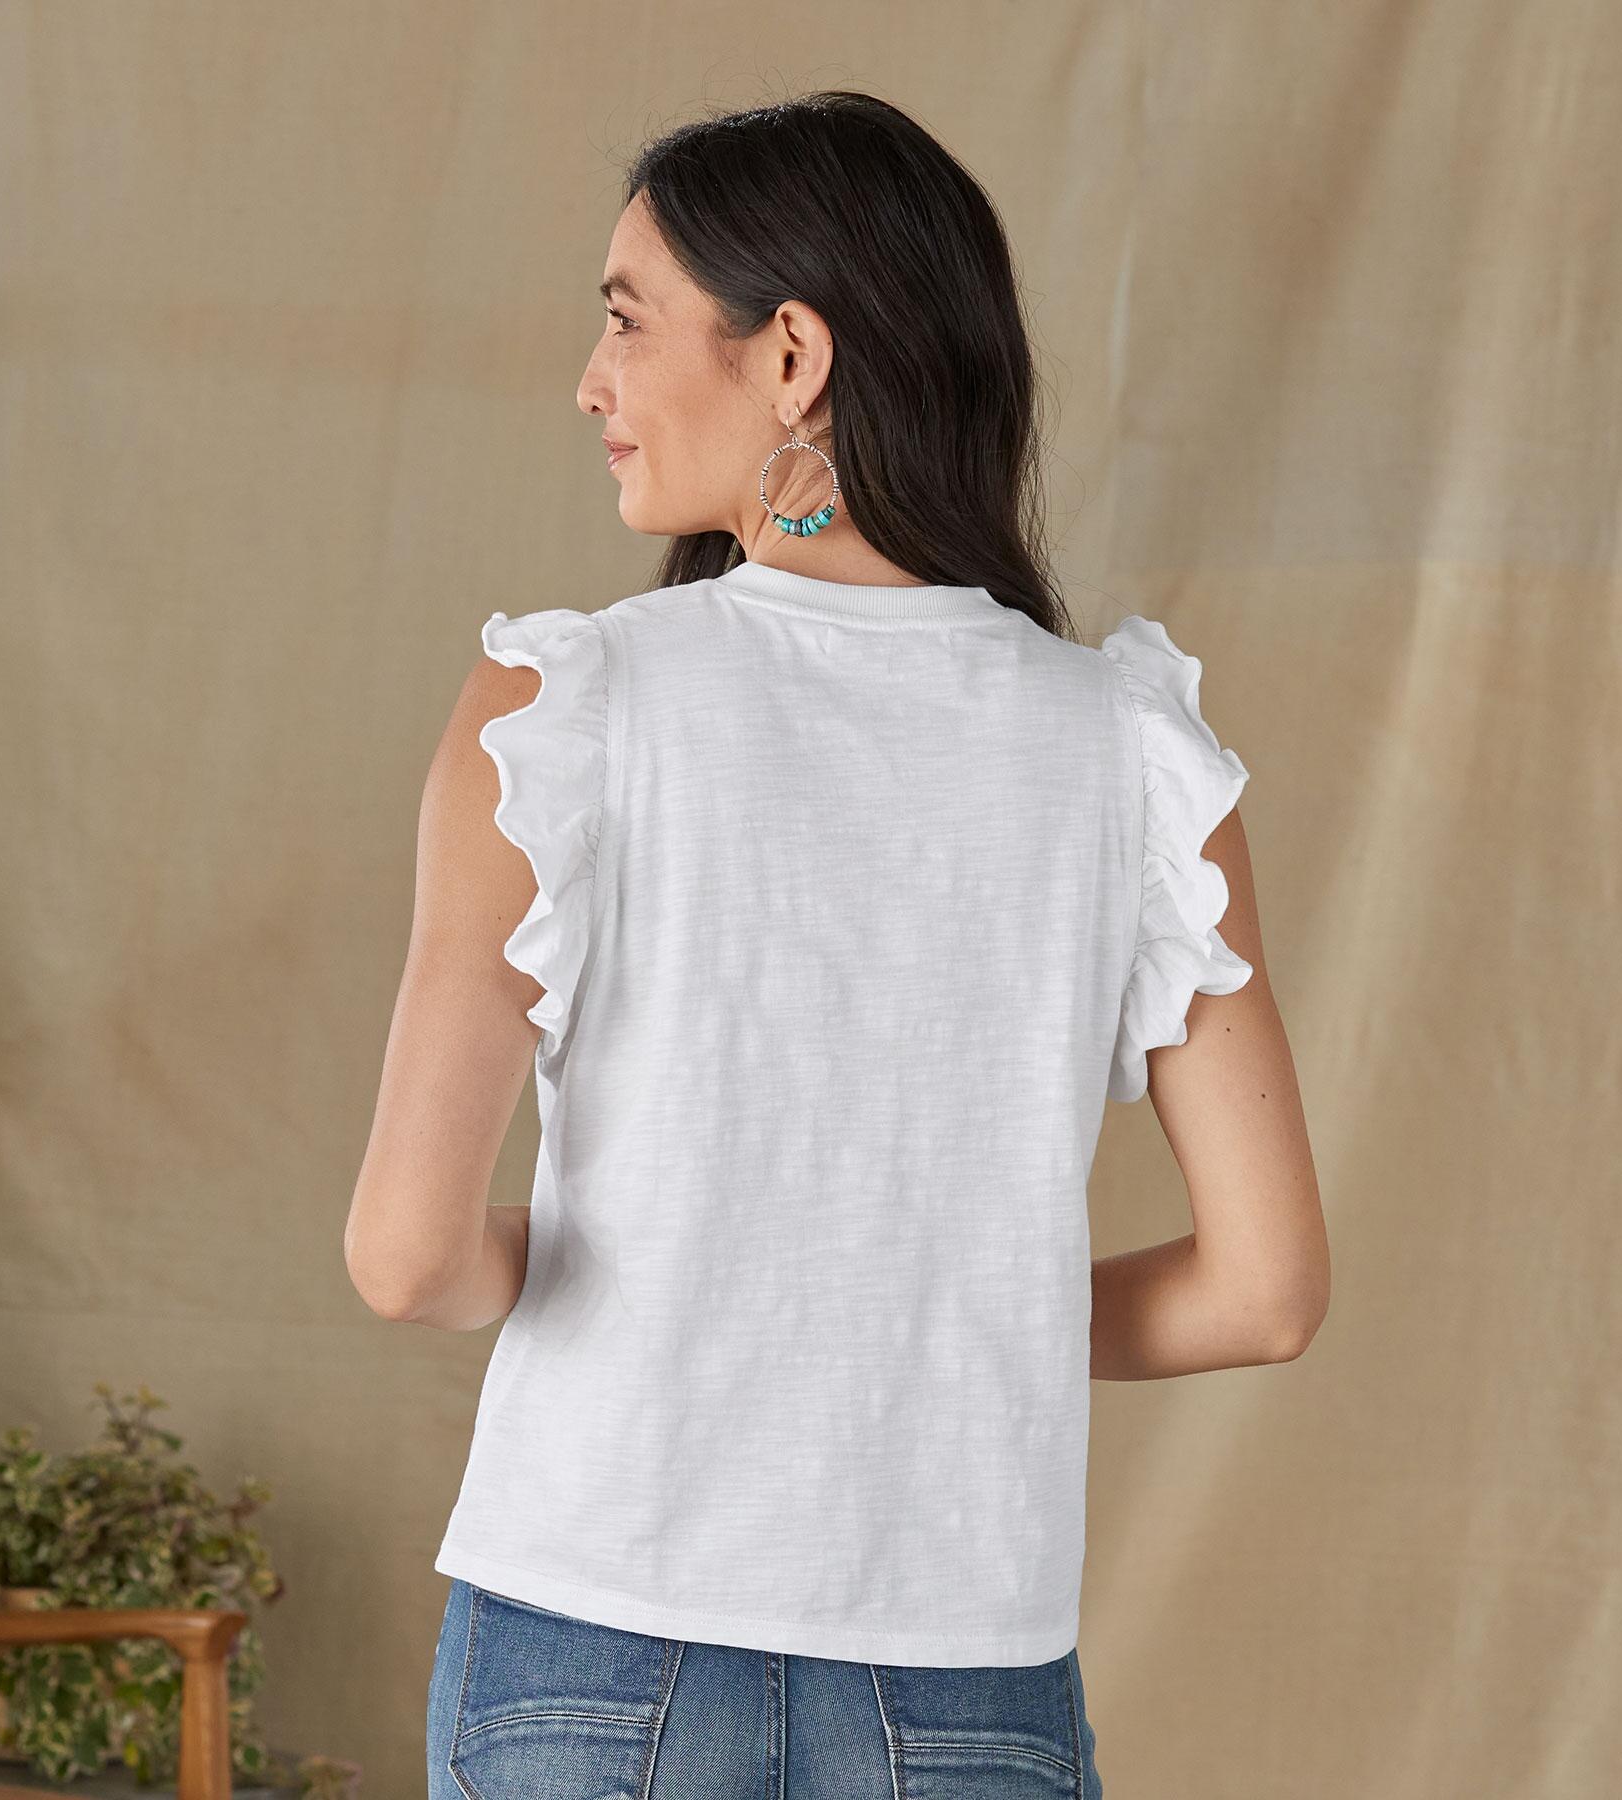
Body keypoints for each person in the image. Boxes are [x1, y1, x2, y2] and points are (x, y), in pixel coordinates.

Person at [345, 90, 1326, 1799]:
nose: (591, 381)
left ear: (791, 355)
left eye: (627, 319)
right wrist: (933, 1302)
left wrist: (660, 1269)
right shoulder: (1134, 757)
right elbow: (1265, 1291)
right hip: (967, 1678)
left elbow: (406, 1259)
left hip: (592, 1648)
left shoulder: (561, 708)